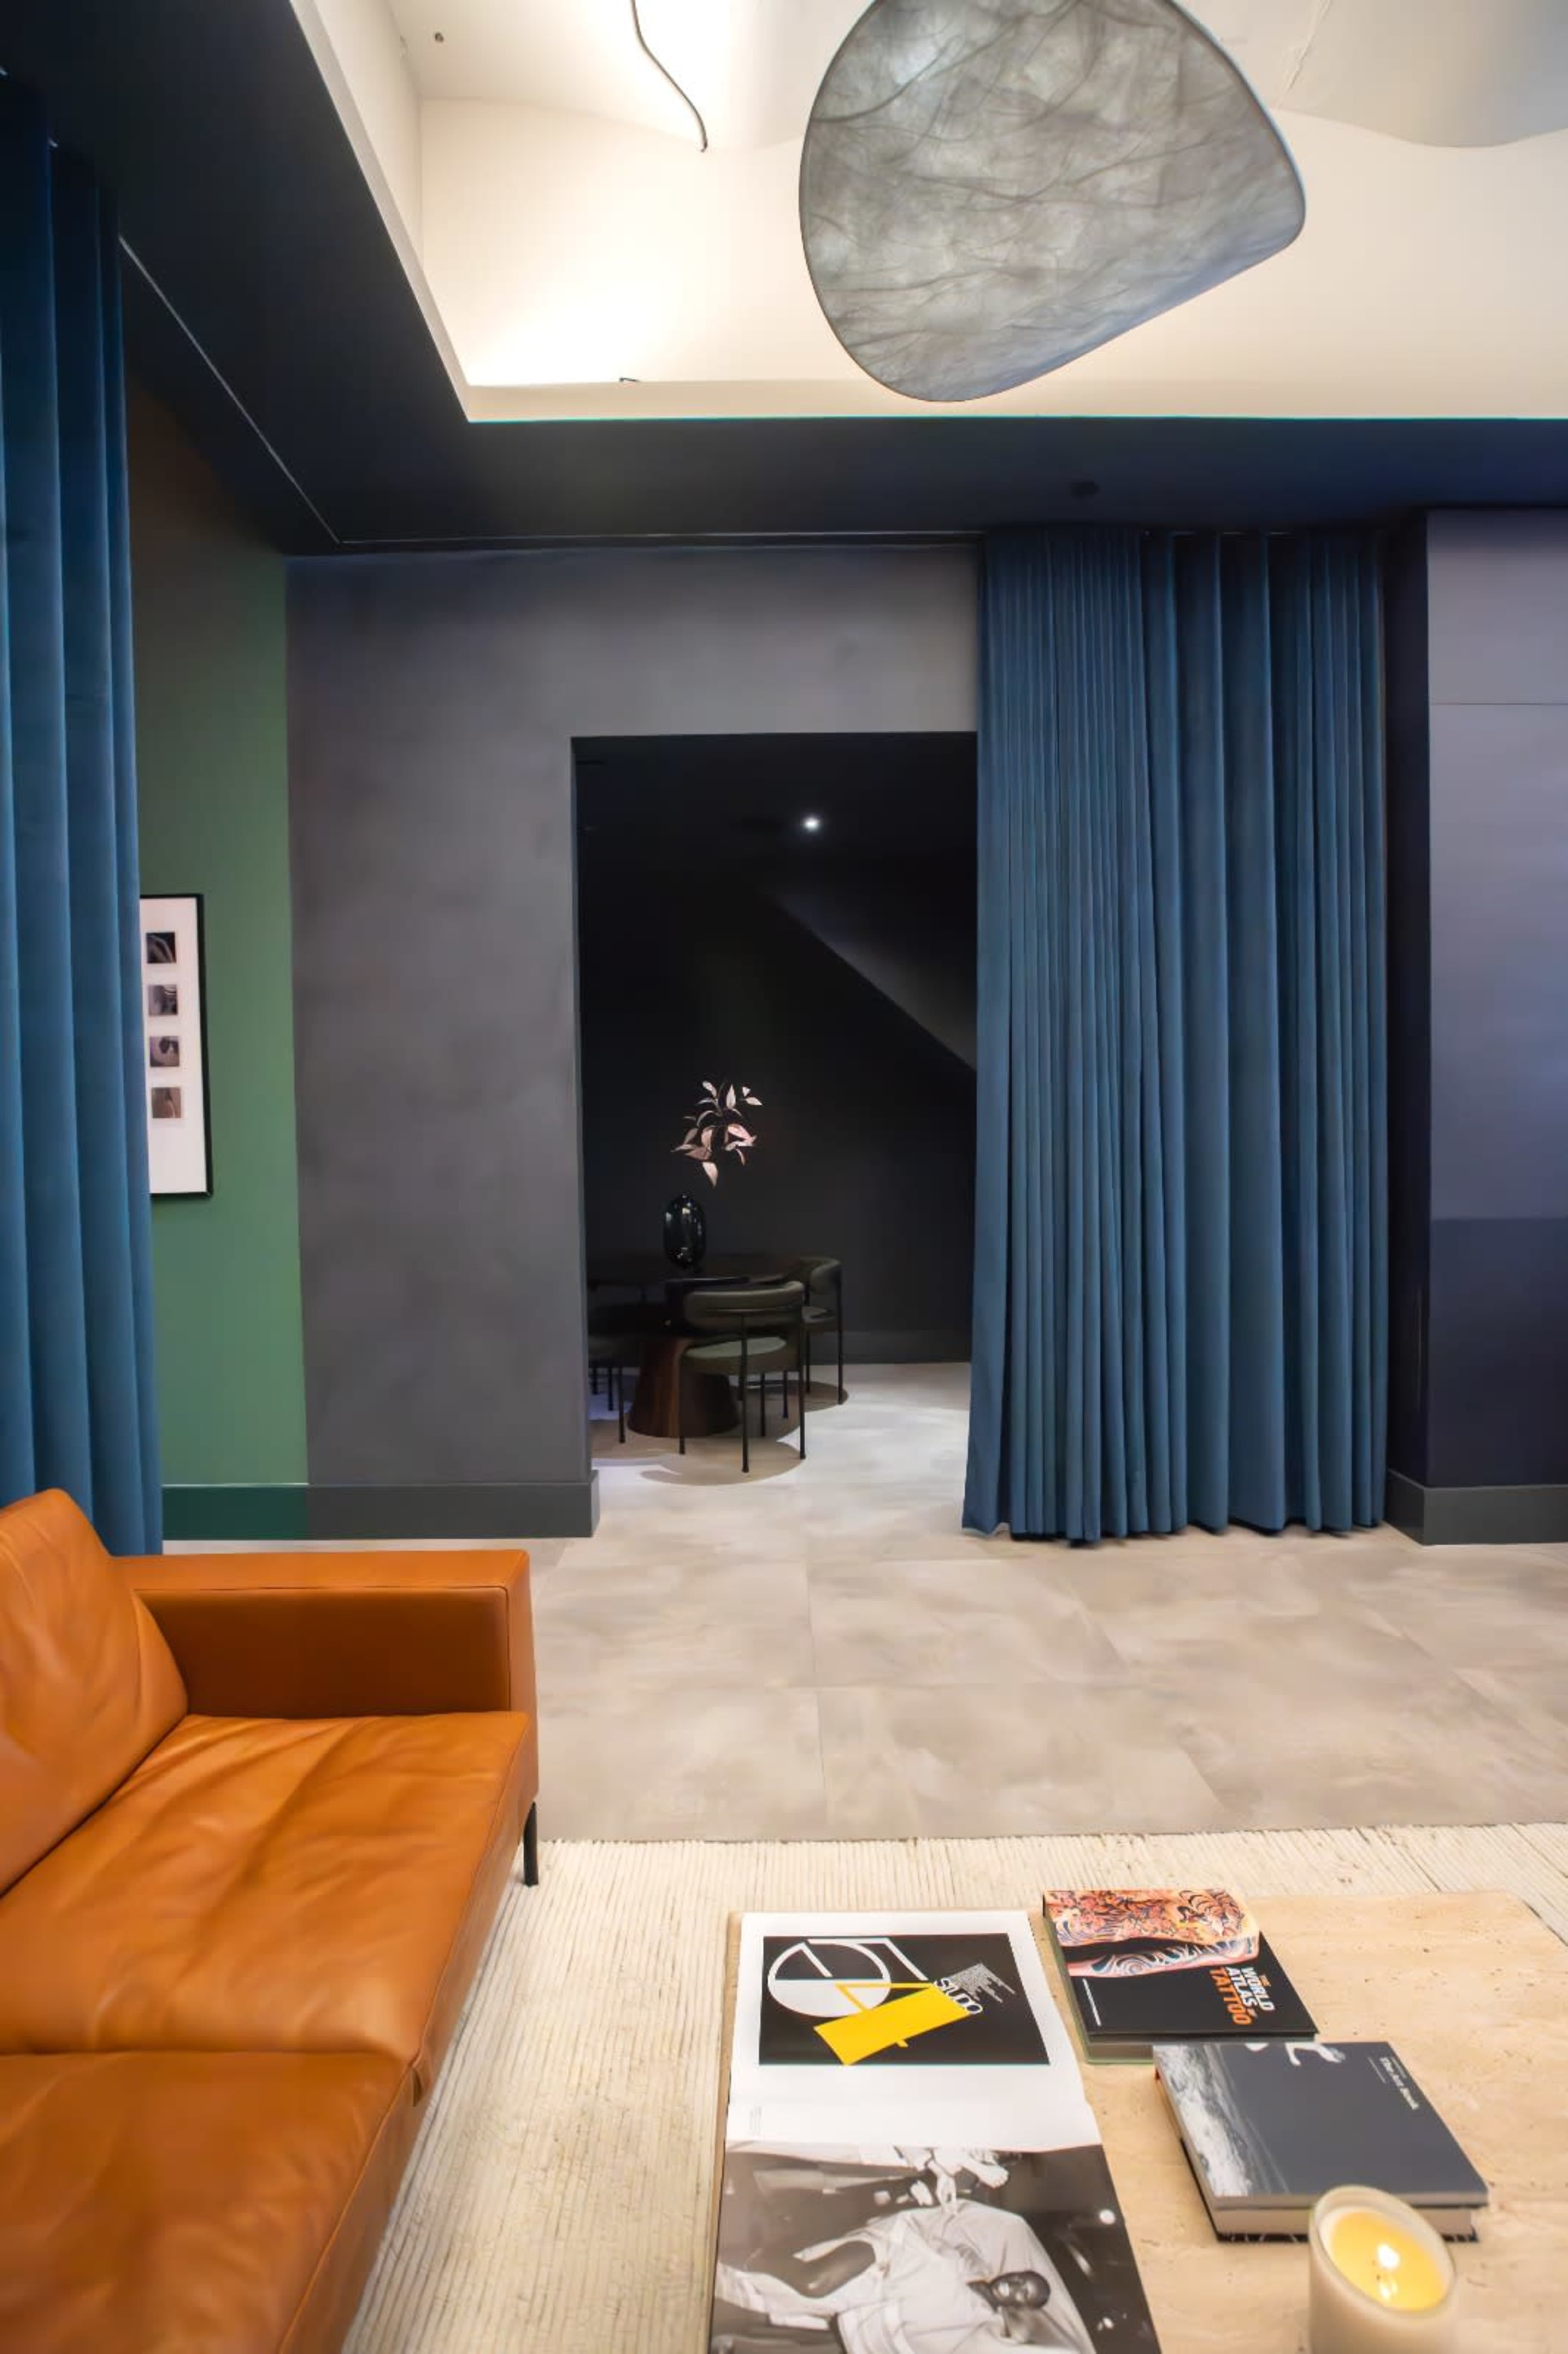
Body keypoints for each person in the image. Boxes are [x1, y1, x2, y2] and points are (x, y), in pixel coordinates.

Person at [715, 2190, 1095, 2354]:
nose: (1015, 2287)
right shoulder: (975, 2261)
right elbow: (947, 2226)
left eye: (1024, 2295)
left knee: (771, 2290)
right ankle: (759, 2255)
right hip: (889, 2250)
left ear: (1022, 2309)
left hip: (876, 2288)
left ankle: (748, 2258)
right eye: (1021, 2280)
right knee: (813, 2282)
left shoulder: (980, 2323)